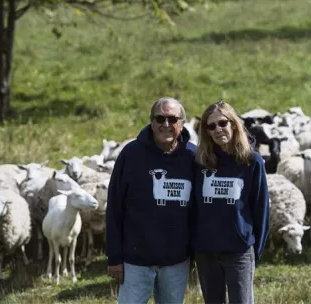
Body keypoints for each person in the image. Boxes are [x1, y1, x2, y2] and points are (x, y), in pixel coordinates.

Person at [106, 97, 197, 304]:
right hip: (135, 260)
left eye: (172, 119)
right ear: (151, 122)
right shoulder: (131, 155)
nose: (166, 124)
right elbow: (114, 207)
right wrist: (114, 257)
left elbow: (198, 211)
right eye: (160, 118)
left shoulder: (193, 157)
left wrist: (194, 253)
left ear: (182, 123)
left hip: (176, 260)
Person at [193, 100, 269, 304]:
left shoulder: (252, 161)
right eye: (211, 126)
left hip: (239, 249)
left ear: (234, 124)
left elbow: (261, 207)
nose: (218, 129)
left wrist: (253, 246)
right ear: (206, 132)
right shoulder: (200, 163)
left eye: (222, 123)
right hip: (206, 251)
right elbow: (193, 207)